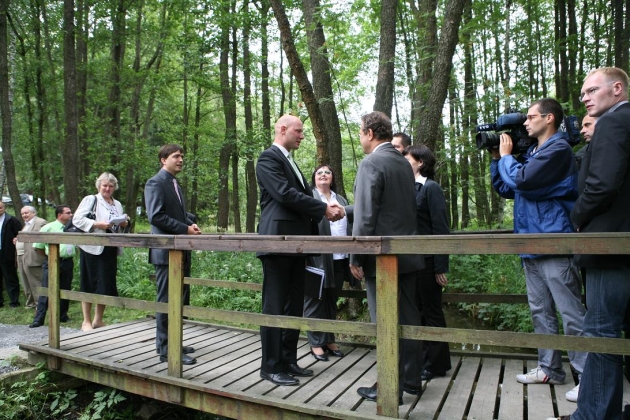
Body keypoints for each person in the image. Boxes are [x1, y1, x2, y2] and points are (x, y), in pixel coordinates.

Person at [491, 98, 586, 403]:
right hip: (531, 243)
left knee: (571, 313)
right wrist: (496, 158)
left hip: (554, 241)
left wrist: (508, 158)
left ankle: (586, 376)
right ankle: (549, 368)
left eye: (531, 117)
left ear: (549, 118)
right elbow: (507, 187)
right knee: (540, 311)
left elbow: (522, 180)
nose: (525, 122)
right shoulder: (533, 151)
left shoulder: (558, 150)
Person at [557, 67, 630, 420]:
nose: (584, 97)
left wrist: (577, 217)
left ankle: (593, 416)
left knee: (601, 331)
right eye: (583, 92)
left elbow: (601, 185)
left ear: (617, 89)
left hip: (609, 243)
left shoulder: (614, 122)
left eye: (591, 90)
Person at [256, 115, 344, 386]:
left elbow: (303, 195)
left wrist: (326, 209)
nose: (302, 136)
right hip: (277, 242)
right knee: (275, 305)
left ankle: (288, 360)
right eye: (299, 131)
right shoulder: (268, 158)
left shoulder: (290, 161)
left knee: (294, 305)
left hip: (297, 244)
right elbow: (284, 194)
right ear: (283, 129)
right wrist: (323, 209)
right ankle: (271, 366)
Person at [351, 111, 424, 402]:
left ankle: (389, 387)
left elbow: (365, 216)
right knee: (407, 318)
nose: (360, 138)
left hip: (382, 259)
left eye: (360, 132)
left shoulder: (371, 163)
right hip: (408, 254)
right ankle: (411, 380)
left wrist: (356, 256)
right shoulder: (403, 163)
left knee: (384, 322)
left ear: (370, 133)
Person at [145, 144, 201, 365]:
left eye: (182, 156)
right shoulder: (155, 183)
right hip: (166, 252)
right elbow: (156, 216)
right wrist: (184, 229)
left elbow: (176, 213)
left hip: (180, 251)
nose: (181, 160)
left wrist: (190, 223)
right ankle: (167, 349)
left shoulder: (174, 183)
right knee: (167, 300)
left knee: (179, 299)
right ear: (163, 159)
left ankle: (174, 341)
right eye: (176, 156)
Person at [402, 145, 452, 381]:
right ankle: (423, 361)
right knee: (418, 312)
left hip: (429, 262)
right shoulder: (408, 188)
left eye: (407, 159)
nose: (403, 162)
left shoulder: (431, 188)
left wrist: (441, 266)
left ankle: (437, 364)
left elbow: (441, 228)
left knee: (432, 312)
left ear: (420, 162)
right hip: (413, 261)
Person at [305, 164, 353, 362]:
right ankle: (316, 342)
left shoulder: (340, 200)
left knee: (331, 301)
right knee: (315, 300)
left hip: (339, 258)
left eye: (327, 172)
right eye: (319, 173)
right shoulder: (309, 197)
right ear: (314, 178)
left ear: (332, 178)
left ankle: (329, 339)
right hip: (316, 258)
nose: (323, 175)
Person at [73, 172, 128, 332]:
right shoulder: (91, 199)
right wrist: (97, 224)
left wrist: (122, 223)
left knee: (105, 282)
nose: (107, 189)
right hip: (92, 248)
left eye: (111, 186)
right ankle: (86, 321)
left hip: (110, 247)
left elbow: (116, 225)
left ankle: (98, 319)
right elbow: (77, 219)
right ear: (99, 186)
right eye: (105, 185)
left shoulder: (117, 204)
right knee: (89, 282)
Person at [28, 205, 75, 328]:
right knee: (47, 288)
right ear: (59, 215)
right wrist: (49, 257)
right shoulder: (48, 227)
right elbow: (38, 246)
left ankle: (62, 315)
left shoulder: (73, 228)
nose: (71, 215)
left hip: (68, 261)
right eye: (68, 213)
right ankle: (39, 319)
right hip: (52, 261)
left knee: (65, 288)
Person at [15, 206, 47, 308]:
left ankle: (40, 304)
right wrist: (17, 239)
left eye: (26, 213)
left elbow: (44, 238)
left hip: (33, 256)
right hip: (21, 255)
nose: (24, 215)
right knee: (25, 281)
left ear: (34, 213)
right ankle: (31, 302)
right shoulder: (26, 224)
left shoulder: (40, 222)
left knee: (36, 281)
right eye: (22, 213)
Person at [0, 202, 23, 308]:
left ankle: (14, 301)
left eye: (0, 207)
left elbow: (20, 235)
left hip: (7, 252)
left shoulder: (12, 220)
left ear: (4, 208)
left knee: (10, 277)